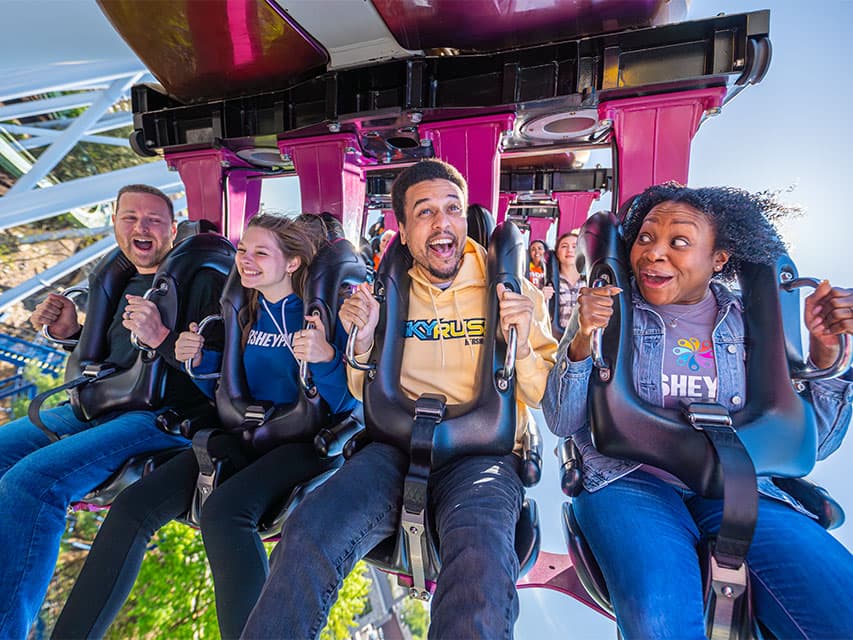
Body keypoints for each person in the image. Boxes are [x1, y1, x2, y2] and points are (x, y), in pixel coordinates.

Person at [241, 159, 557, 639]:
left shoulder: (509, 288)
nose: (441, 223)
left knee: (481, 567)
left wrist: (523, 330)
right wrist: (363, 340)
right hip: (395, 447)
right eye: (424, 213)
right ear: (405, 233)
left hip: (481, 456)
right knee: (309, 530)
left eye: (451, 209)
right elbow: (359, 389)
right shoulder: (389, 293)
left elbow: (543, 394)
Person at [542, 182, 853, 639]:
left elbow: (813, 444)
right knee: (660, 618)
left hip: (740, 484)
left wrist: (826, 355)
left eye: (679, 242)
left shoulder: (750, 325)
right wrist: (583, 336)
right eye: (645, 239)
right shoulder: (614, 313)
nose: (654, 254)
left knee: (837, 604)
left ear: (718, 258)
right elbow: (562, 420)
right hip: (630, 477)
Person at [53, 214, 357, 639]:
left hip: (304, 443)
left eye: (260, 253)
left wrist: (325, 358)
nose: (246, 261)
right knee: (132, 508)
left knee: (224, 513)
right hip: (245, 433)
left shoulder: (320, 314)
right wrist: (197, 360)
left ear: (291, 263)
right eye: (244, 250)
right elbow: (227, 386)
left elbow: (348, 403)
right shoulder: (245, 311)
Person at [0, 185, 225, 637]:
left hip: (161, 416)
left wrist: (162, 337)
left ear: (173, 226)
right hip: (97, 402)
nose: (140, 228)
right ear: (115, 223)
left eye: (153, 219)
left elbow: (221, 376)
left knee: (32, 483)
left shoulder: (204, 279)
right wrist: (70, 332)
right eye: (129, 218)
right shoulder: (117, 278)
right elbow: (103, 356)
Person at [543, 231, 583, 336]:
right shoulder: (547, 282)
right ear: (557, 253)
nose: (570, 250)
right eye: (564, 246)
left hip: (583, 340)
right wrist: (541, 297)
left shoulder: (590, 282)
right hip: (556, 339)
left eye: (575, 246)